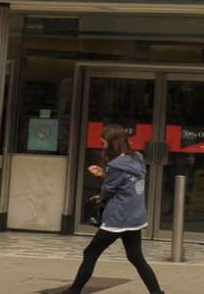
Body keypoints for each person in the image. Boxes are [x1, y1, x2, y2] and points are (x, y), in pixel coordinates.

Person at [63, 124, 164, 294]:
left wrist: (101, 177)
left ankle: (74, 291)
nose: (102, 146)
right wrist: (105, 174)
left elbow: (108, 190)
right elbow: (126, 184)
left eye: (103, 143)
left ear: (111, 143)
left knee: (90, 253)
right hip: (135, 217)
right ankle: (157, 293)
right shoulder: (138, 158)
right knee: (136, 257)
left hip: (118, 218)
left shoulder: (116, 165)